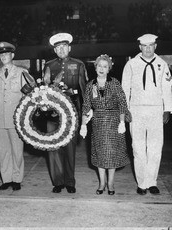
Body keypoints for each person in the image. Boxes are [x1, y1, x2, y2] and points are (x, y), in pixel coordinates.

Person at [121, 34, 172, 195]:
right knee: (138, 148)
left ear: (155, 46)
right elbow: (125, 89)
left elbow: (167, 88)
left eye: (151, 45)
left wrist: (167, 109)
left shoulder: (162, 64)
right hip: (136, 110)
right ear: (140, 47)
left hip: (156, 110)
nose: (148, 48)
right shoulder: (131, 64)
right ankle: (142, 183)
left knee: (155, 148)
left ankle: (152, 182)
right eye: (145, 46)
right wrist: (125, 110)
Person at [43, 33, 87, 193]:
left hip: (72, 113)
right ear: (55, 50)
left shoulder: (79, 64)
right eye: (58, 47)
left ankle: (70, 182)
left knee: (69, 148)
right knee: (54, 147)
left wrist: (83, 115)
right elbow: (45, 90)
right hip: (53, 114)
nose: (61, 49)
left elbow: (83, 91)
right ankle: (58, 182)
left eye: (64, 46)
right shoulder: (48, 65)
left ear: (69, 48)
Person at [81, 54, 131, 195]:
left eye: (105, 66)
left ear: (109, 69)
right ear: (95, 67)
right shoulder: (90, 85)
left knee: (112, 154)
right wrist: (83, 125)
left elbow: (122, 103)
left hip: (114, 121)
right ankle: (102, 183)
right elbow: (86, 106)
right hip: (97, 123)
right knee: (100, 154)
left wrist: (122, 122)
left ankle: (111, 183)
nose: (102, 69)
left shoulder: (115, 83)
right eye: (99, 66)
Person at [0, 41, 31, 191]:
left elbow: (28, 95)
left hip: (16, 117)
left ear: (12, 55)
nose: (4, 56)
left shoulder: (21, 72)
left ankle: (17, 178)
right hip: (0, 117)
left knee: (17, 149)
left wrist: (25, 117)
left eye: (7, 54)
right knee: (4, 149)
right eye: (2, 54)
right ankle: (6, 179)